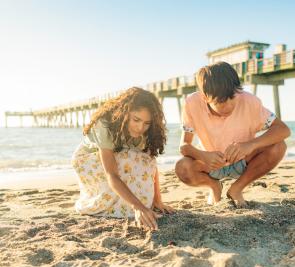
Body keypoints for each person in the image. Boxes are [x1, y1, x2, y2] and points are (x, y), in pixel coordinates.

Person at [175, 61, 290, 207]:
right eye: (221, 101)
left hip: (244, 162)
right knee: (182, 167)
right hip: (211, 165)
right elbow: (184, 146)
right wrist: (203, 155)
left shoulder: (249, 101)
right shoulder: (192, 103)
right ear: (205, 97)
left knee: (279, 146)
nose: (229, 105)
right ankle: (214, 186)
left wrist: (250, 145)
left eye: (232, 97)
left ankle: (237, 188)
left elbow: (283, 129)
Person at [72, 87, 173, 230]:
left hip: (119, 159)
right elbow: (111, 174)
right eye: (136, 120)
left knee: (143, 159)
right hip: (88, 161)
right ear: (125, 113)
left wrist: (158, 201)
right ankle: (102, 203)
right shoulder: (105, 124)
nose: (140, 127)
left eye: (146, 123)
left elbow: (151, 165)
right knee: (126, 159)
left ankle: (129, 203)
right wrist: (138, 207)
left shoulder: (145, 131)